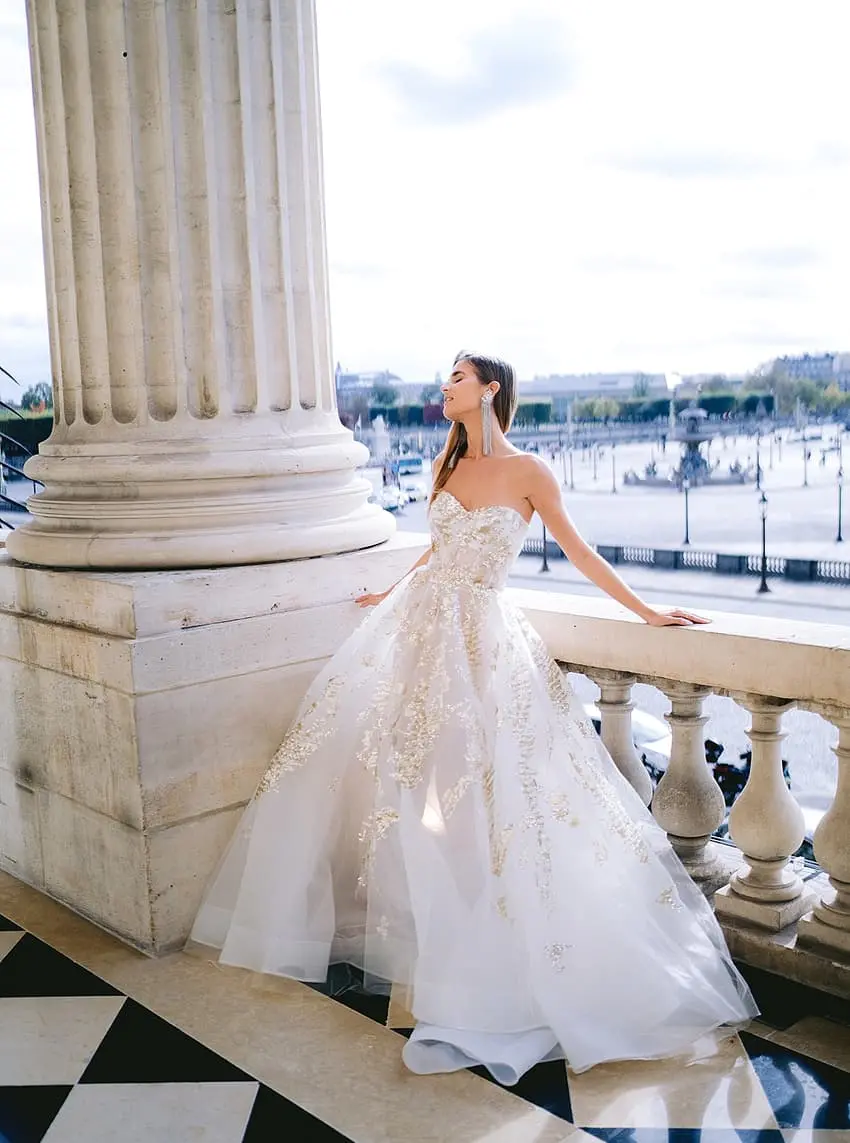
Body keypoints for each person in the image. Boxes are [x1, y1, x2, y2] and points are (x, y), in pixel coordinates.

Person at [187, 351, 757, 1084]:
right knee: (406, 794)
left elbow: (580, 553)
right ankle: (439, 943)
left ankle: (495, 957)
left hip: (484, 651)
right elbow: (438, 549)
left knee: (492, 804)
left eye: (456, 376)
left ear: (490, 387)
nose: (444, 386)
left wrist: (648, 610)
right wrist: (389, 591)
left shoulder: (530, 472)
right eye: (446, 377)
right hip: (418, 640)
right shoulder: (445, 464)